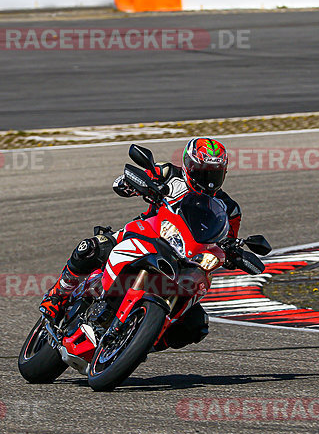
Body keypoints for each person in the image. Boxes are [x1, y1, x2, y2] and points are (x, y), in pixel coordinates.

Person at [39, 137, 242, 348]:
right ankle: (57, 297)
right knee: (90, 248)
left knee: (196, 325)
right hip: (148, 232)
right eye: (202, 171)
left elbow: (227, 241)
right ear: (188, 165)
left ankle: (139, 341)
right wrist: (135, 185)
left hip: (188, 258)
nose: (208, 179)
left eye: (214, 172)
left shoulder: (229, 208)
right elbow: (124, 182)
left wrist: (234, 253)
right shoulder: (168, 173)